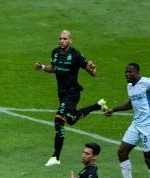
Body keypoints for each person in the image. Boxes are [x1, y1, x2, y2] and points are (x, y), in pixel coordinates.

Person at [35, 30, 106, 167]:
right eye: (60, 38)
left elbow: (92, 72)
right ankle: (98, 105)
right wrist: (43, 67)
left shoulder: (76, 55)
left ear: (70, 40)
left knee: (58, 120)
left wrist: (92, 69)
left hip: (72, 93)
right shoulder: (55, 52)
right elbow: (55, 68)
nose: (62, 41)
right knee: (71, 119)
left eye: (65, 39)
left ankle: (56, 156)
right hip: (62, 93)